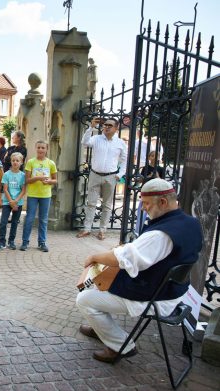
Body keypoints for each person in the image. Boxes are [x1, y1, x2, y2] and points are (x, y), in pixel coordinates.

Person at [76, 178, 203, 363]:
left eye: (146, 203)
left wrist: (95, 257)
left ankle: (120, 346)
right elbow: (141, 252)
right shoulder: (191, 222)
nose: (143, 208)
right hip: (173, 289)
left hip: (157, 298)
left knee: (84, 299)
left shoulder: (160, 235)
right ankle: (100, 328)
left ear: (163, 202)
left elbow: (121, 259)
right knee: (98, 282)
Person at [77, 117, 127, 240]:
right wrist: (91, 127)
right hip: (95, 174)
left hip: (110, 177)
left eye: (110, 125)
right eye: (105, 125)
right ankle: (87, 229)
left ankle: (102, 230)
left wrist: (119, 175)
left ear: (116, 128)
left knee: (107, 205)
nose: (106, 127)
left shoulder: (120, 143)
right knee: (91, 203)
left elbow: (125, 160)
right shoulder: (97, 138)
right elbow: (84, 142)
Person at [21, 141, 57, 252]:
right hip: (33, 194)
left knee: (43, 219)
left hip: (45, 195)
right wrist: (38, 178)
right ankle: (25, 242)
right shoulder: (31, 162)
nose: (41, 150)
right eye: (39, 147)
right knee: (29, 218)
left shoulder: (51, 163)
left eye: (43, 148)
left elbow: (55, 180)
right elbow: (26, 180)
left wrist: (49, 181)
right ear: (36, 148)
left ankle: (42, 243)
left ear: (46, 149)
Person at [0, 152, 26, 251]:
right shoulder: (7, 174)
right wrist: (11, 202)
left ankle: (11, 241)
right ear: (11, 162)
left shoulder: (23, 176)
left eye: (17, 161)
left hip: (18, 203)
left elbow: (23, 190)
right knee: (3, 222)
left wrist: (15, 201)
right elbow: (5, 189)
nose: (15, 162)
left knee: (14, 223)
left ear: (21, 162)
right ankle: (2, 242)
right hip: (7, 202)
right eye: (13, 160)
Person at [135, 150, 166, 235]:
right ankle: (138, 231)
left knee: (155, 213)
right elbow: (141, 180)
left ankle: (153, 230)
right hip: (146, 193)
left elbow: (163, 182)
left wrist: (157, 176)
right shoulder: (145, 168)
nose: (155, 157)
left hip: (156, 194)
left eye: (157, 156)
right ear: (149, 157)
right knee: (142, 213)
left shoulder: (160, 169)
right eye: (152, 156)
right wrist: (148, 176)